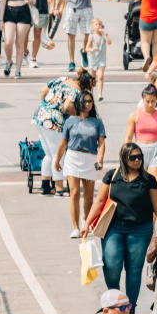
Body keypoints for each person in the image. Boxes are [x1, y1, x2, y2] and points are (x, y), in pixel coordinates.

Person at [83, 144, 157, 314]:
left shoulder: (149, 180)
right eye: (132, 157)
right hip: (114, 227)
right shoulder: (112, 176)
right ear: (124, 159)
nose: (137, 160)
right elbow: (99, 201)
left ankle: (129, 309)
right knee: (111, 265)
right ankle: (115, 302)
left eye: (139, 156)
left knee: (134, 270)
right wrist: (87, 223)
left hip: (140, 229)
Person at [33, 67, 94, 196]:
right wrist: (79, 114)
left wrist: (48, 106)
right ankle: (59, 189)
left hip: (40, 116)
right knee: (58, 154)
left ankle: (45, 186)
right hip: (54, 121)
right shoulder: (77, 91)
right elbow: (67, 107)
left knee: (49, 154)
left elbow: (43, 91)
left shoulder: (63, 79)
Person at [55, 89, 106, 238]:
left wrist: (100, 159)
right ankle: (76, 227)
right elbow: (63, 143)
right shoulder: (70, 121)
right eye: (85, 101)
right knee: (75, 193)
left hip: (90, 159)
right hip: (72, 157)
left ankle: (86, 222)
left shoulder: (97, 122)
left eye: (90, 101)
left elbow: (101, 143)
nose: (88, 104)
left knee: (89, 197)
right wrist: (57, 160)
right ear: (79, 103)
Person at [125, 84, 157, 190]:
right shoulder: (134, 116)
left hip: (156, 151)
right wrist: (126, 155)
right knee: (139, 186)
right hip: (138, 151)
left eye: (153, 101)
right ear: (143, 100)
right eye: (147, 101)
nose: (150, 104)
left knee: (152, 185)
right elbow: (128, 138)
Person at [0, 0, 35, 79]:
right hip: (9, 13)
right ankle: (9, 61)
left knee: (19, 43)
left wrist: (29, 0)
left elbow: (34, 0)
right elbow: (2, 3)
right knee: (8, 41)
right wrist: (0, 20)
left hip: (24, 13)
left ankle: (18, 69)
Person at [85, 17, 111, 101]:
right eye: (96, 24)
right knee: (92, 78)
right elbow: (87, 48)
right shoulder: (91, 36)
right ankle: (91, 93)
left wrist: (104, 34)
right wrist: (91, 49)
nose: (98, 26)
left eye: (99, 24)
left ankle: (100, 94)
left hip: (101, 60)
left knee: (100, 77)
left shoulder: (104, 35)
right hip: (93, 59)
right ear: (93, 27)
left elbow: (109, 42)